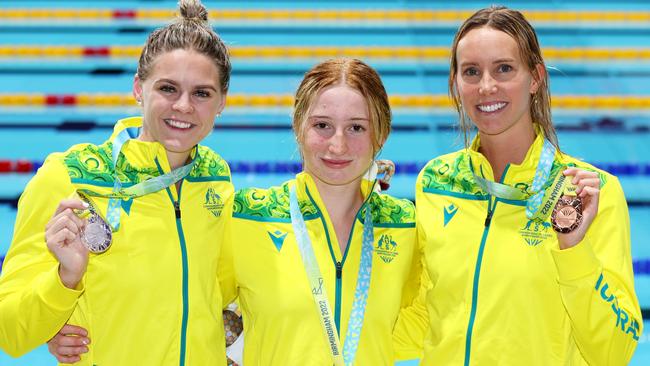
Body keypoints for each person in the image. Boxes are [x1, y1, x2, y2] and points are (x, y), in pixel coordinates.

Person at [48, 58, 425, 365]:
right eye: (322, 126)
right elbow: (177, 294)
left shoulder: (405, 224)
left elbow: (436, 316)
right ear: (299, 129)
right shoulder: (248, 216)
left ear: (381, 134)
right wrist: (68, 317)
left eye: (356, 127)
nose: (337, 144)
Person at [0, 0, 234, 364]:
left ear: (221, 102)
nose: (184, 106)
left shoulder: (217, 180)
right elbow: (10, 332)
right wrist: (65, 282)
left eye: (202, 93)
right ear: (139, 88)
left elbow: (220, 294)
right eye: (168, 89)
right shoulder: (71, 177)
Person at [414, 6, 642, 365]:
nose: (486, 86)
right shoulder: (435, 182)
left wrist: (573, 249)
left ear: (535, 77)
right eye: (471, 72)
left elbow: (615, 351)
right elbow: (423, 318)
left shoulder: (587, 193)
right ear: (456, 84)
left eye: (504, 69)